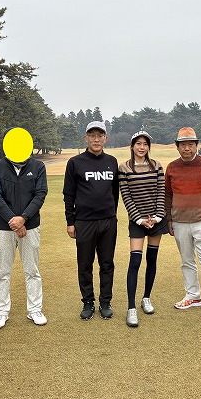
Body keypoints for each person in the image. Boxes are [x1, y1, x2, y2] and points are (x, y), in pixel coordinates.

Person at [0, 131, 48, 330]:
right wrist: (13, 220)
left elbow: (40, 194)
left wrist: (23, 219)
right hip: (3, 227)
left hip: (30, 226)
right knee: (2, 272)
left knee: (32, 271)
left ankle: (35, 309)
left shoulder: (38, 166)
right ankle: (1, 311)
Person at [165, 127, 201, 321]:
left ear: (196, 145)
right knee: (187, 261)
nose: (187, 148)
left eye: (191, 144)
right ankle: (193, 296)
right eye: (183, 145)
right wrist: (169, 219)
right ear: (177, 147)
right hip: (180, 222)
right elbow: (168, 195)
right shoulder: (172, 168)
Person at [63, 121, 119, 320]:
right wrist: (70, 222)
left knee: (107, 263)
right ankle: (88, 302)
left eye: (100, 135)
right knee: (85, 264)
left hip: (108, 221)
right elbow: (68, 194)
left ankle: (105, 302)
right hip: (84, 222)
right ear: (85, 138)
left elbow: (115, 193)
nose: (96, 139)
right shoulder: (75, 162)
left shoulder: (112, 161)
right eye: (92, 135)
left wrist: (111, 214)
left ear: (105, 138)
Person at [118, 131, 169, 327]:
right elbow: (126, 196)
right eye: (138, 143)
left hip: (156, 220)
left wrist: (157, 217)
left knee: (152, 258)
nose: (141, 147)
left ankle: (146, 297)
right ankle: (131, 307)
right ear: (132, 146)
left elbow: (161, 192)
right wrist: (139, 219)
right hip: (137, 221)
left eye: (145, 144)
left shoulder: (157, 166)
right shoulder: (124, 168)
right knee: (135, 261)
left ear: (149, 147)